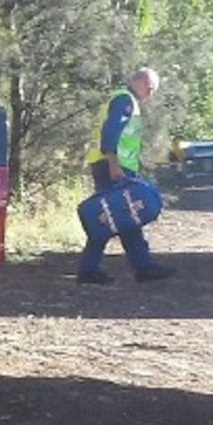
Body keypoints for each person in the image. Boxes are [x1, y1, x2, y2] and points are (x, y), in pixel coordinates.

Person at [76, 67, 176, 285]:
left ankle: (142, 266)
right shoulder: (124, 101)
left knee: (127, 217)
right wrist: (113, 164)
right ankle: (90, 269)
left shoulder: (125, 99)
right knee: (109, 216)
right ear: (139, 81)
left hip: (116, 165)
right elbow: (110, 133)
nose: (151, 94)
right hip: (113, 166)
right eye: (150, 88)